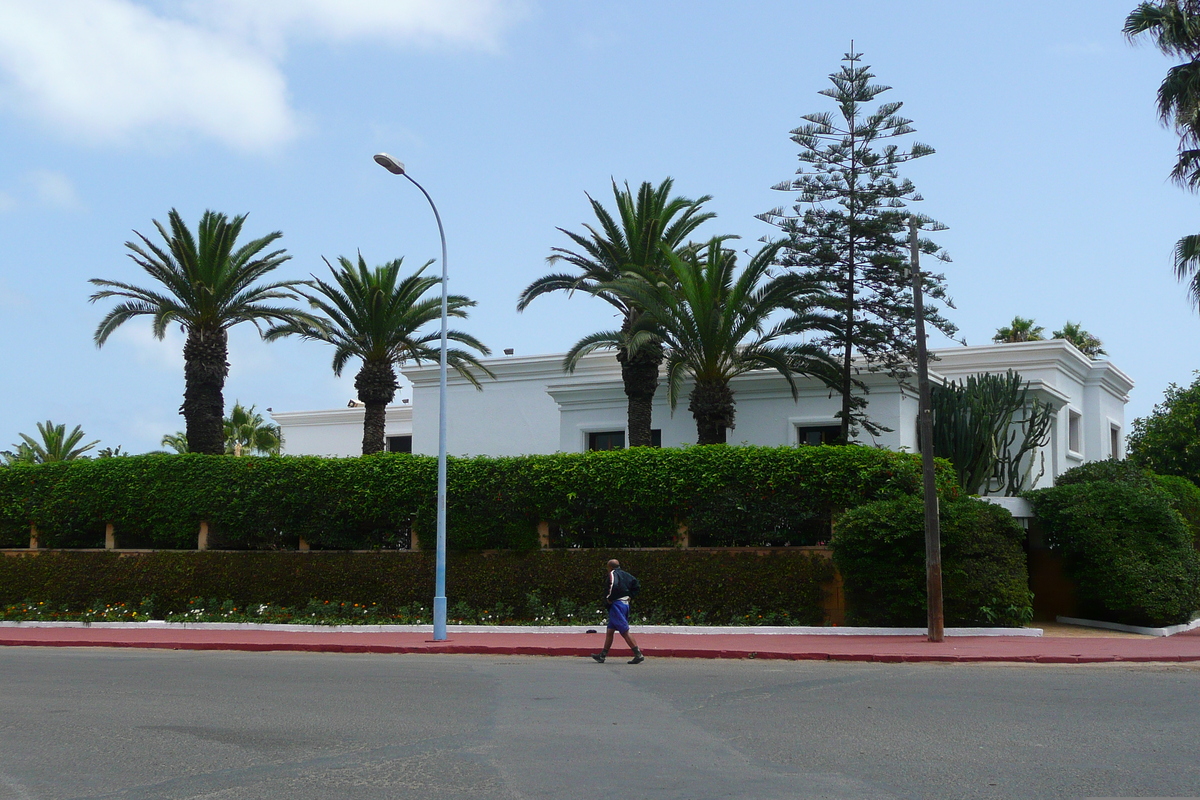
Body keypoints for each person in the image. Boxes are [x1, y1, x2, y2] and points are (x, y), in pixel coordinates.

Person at [591, 558, 645, 664]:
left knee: (624, 631)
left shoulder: (612, 574)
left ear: (610, 567)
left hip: (617, 605)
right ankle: (602, 655)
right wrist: (631, 595)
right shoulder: (626, 575)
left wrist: (609, 598)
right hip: (625, 604)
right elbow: (637, 584)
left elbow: (613, 585)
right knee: (610, 631)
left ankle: (638, 654)